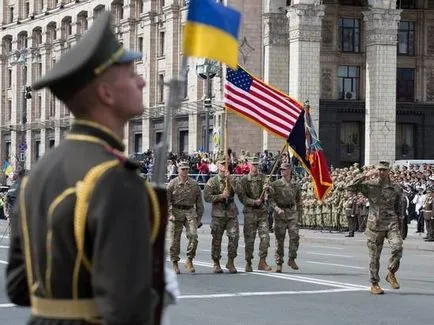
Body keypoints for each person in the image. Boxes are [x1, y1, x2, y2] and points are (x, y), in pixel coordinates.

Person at [6, 11, 165, 324]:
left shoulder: (36, 173)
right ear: (106, 93)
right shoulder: (114, 178)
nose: (142, 79)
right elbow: (127, 310)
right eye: (132, 74)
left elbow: (19, 287)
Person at [346, 161, 403, 295]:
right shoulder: (370, 185)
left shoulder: (395, 188)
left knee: (398, 246)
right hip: (374, 225)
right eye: (380, 170)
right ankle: (374, 283)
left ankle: (391, 272)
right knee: (374, 257)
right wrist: (365, 175)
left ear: (389, 171)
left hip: (391, 223)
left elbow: (399, 207)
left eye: (384, 170)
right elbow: (350, 186)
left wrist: (401, 224)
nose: (382, 172)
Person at [167, 160, 204, 274]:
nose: (185, 171)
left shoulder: (194, 184)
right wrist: (170, 214)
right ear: (178, 170)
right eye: (182, 169)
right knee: (174, 240)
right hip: (176, 212)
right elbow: (166, 201)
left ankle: (189, 259)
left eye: (187, 169)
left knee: (193, 236)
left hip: (190, 212)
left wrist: (199, 219)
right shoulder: (172, 183)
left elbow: (199, 203)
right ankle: (175, 262)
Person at [203, 157, 239, 273]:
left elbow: (240, 191)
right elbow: (207, 197)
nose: (225, 166)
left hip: (231, 213)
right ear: (218, 166)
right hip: (218, 214)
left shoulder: (232, 178)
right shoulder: (212, 181)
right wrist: (220, 196)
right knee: (217, 239)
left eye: (227, 164)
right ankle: (216, 262)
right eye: (223, 164)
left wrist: (231, 179)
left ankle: (231, 261)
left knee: (234, 237)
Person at [237, 157, 272, 272]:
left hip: (262, 213)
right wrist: (253, 202)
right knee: (249, 240)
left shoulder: (263, 178)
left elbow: (271, 191)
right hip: (250, 213)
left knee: (265, 238)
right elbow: (242, 197)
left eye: (257, 165)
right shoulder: (244, 180)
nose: (255, 167)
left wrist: (268, 189)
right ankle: (248, 261)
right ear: (249, 165)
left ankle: (262, 261)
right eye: (253, 164)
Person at [267, 163, 302, 272]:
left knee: (295, 236)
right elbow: (270, 199)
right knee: (279, 239)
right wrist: (276, 208)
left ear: (290, 170)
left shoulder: (296, 184)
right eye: (281, 169)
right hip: (280, 213)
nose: (282, 171)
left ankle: (291, 258)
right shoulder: (276, 184)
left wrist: (300, 216)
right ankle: (279, 262)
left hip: (292, 212)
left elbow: (299, 201)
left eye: (284, 169)